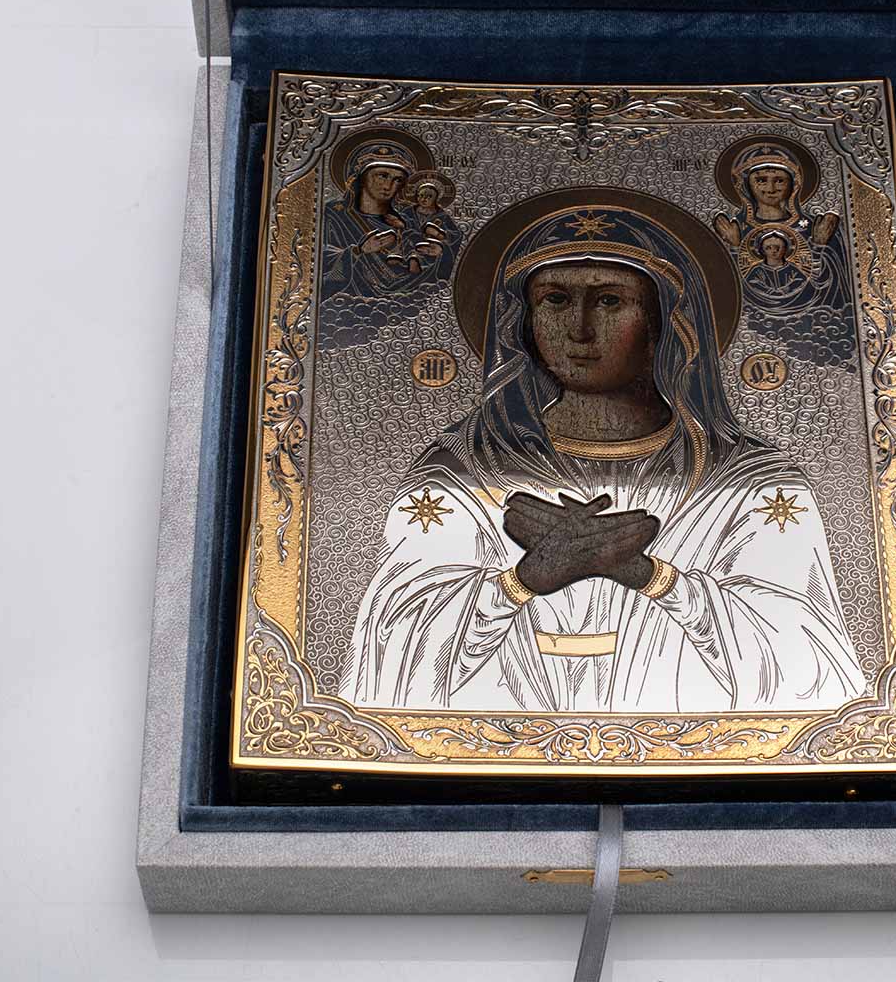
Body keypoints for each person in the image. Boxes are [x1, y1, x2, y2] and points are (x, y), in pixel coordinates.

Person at [338, 201, 865, 714]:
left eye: (610, 301)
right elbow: (390, 653)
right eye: (554, 300)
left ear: (665, 321)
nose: (579, 329)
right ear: (521, 321)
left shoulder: (749, 481)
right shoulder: (463, 470)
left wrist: (644, 573)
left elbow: (809, 662)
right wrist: (524, 580)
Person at [320, 144, 417, 299]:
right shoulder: (333, 216)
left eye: (397, 180)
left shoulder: (407, 222)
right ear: (362, 178)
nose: (388, 186)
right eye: (382, 176)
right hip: (347, 303)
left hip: (405, 301)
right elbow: (316, 264)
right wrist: (358, 251)